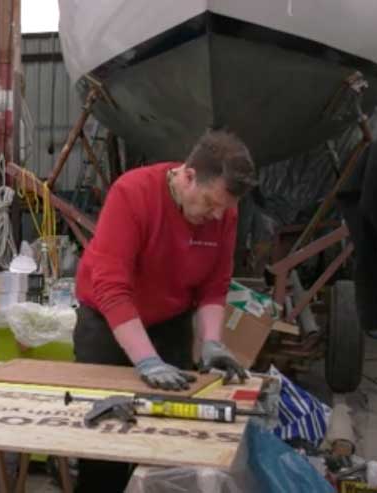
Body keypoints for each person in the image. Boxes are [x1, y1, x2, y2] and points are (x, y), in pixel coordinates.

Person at [73, 130, 257, 493]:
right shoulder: (132, 193)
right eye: (210, 203)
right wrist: (146, 360)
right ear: (188, 176)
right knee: (106, 447)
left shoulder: (222, 211)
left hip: (170, 325)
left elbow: (214, 285)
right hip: (108, 328)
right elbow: (111, 288)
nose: (218, 215)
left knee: (169, 441)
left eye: (224, 208)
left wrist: (212, 343)